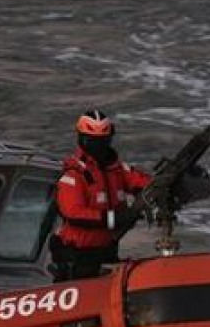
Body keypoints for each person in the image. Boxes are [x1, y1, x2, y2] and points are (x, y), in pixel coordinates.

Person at [50, 110, 151, 281]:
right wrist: (113, 218)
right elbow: (74, 213)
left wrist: (168, 182)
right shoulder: (74, 175)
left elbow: (144, 183)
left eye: (103, 141)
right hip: (77, 259)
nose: (99, 147)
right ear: (82, 139)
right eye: (93, 141)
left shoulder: (117, 170)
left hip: (106, 254)